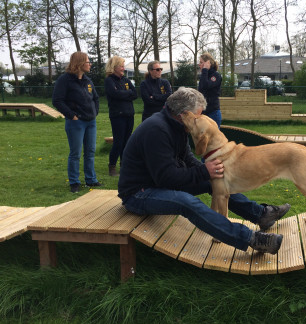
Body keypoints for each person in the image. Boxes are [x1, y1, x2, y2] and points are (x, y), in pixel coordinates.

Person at [118, 87, 290, 254]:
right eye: (198, 115)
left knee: (215, 181)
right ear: (183, 114)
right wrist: (203, 172)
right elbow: (166, 178)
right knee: (186, 202)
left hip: (160, 183)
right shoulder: (156, 130)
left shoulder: (177, 126)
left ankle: (261, 215)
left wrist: (208, 172)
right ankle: (252, 239)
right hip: (138, 194)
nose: (200, 119)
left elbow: (187, 158)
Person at [52, 51, 101, 193]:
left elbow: (96, 98)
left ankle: (91, 179)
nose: (90, 64)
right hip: (76, 123)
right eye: (87, 61)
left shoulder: (88, 80)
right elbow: (57, 100)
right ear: (79, 63)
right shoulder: (65, 80)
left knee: (90, 151)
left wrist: (94, 112)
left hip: (90, 121)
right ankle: (74, 182)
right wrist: (72, 115)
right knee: (75, 153)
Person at [104, 56, 137, 177]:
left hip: (129, 114)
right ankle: (112, 166)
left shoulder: (126, 80)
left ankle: (124, 166)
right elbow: (114, 94)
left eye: (123, 66)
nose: (123, 68)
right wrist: (126, 94)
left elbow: (134, 94)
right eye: (121, 66)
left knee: (127, 142)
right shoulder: (109, 81)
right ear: (114, 67)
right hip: (117, 115)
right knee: (118, 142)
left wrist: (123, 93)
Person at [198, 52, 222, 127]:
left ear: (208, 63)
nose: (199, 64)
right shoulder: (204, 75)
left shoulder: (216, 75)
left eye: (201, 62)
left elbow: (206, 86)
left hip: (213, 112)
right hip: (203, 112)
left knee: (214, 138)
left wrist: (205, 70)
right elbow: (201, 90)